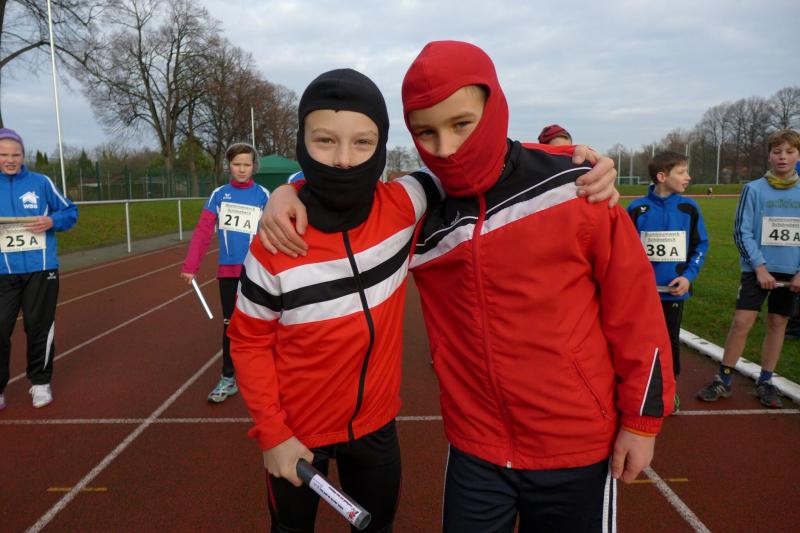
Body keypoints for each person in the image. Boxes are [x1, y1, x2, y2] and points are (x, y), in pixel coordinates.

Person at [260, 41, 674, 532]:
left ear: (494, 108)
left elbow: (636, 313)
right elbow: (345, 197)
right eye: (426, 133)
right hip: (476, 450)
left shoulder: (577, 188)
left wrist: (642, 421)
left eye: (462, 124)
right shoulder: (418, 214)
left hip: (577, 446)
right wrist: (287, 190)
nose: (446, 149)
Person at [227, 68, 451, 533]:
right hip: (295, 434)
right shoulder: (275, 243)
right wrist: (272, 434)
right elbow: (247, 341)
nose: (345, 160)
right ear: (302, 142)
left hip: (377, 428)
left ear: (382, 144)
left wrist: (572, 157)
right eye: (325, 141)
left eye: (362, 142)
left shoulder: (404, 205)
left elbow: (473, 160)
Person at [698, 129, 800, 409]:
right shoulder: (753, 189)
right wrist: (760, 267)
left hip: (792, 271)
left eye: (789, 151)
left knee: (778, 323)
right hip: (757, 270)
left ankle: (765, 381)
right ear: (769, 156)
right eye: (777, 152)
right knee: (742, 322)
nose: (782, 157)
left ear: (798, 156)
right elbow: (741, 231)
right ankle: (723, 378)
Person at [180, 142, 269, 403]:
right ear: (228, 165)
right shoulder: (219, 195)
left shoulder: (264, 195)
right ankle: (228, 378)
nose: (241, 169)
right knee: (231, 326)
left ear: (254, 166)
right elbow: (203, 231)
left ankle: (264, 376)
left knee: (262, 325)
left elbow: (275, 231)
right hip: (229, 274)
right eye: (236, 164)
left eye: (246, 164)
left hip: (257, 273)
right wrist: (191, 266)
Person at [0, 128, 78, 410]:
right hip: (2, 273)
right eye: (4, 155)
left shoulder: (41, 182)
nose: (10, 160)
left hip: (41, 270)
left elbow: (70, 212)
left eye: (15, 154)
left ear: (23, 155)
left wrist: (52, 221)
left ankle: (41, 382)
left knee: (38, 328)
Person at [628, 151, 709, 412]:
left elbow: (700, 245)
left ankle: (669, 390)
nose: (688, 177)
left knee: (670, 341)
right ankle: (638, 388)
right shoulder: (636, 209)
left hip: (673, 293)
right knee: (639, 341)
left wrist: (688, 276)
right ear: (662, 177)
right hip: (642, 294)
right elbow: (624, 252)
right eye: (682, 172)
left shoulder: (689, 208)